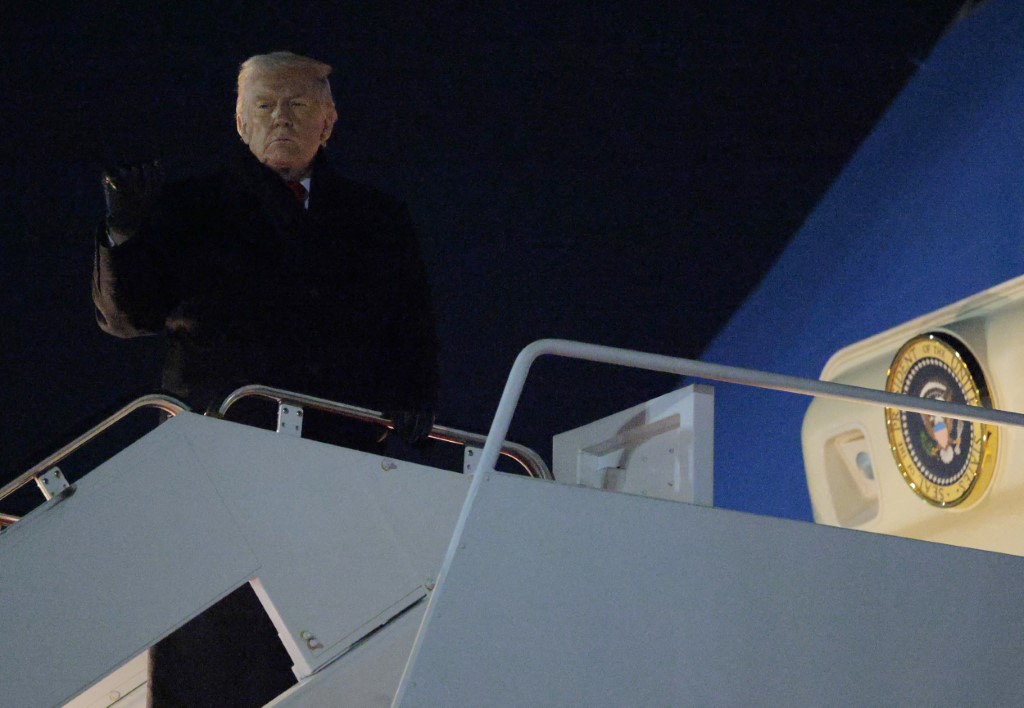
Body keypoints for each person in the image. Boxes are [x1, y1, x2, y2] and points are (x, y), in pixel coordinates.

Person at [92, 51, 439, 705]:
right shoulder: (189, 207)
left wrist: (416, 399)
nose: (280, 118)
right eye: (264, 105)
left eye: (297, 104)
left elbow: (411, 325)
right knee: (214, 636)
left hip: (339, 460)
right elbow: (127, 316)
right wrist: (125, 229)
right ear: (239, 120)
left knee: (334, 632)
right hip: (222, 456)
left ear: (329, 122)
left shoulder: (377, 218)